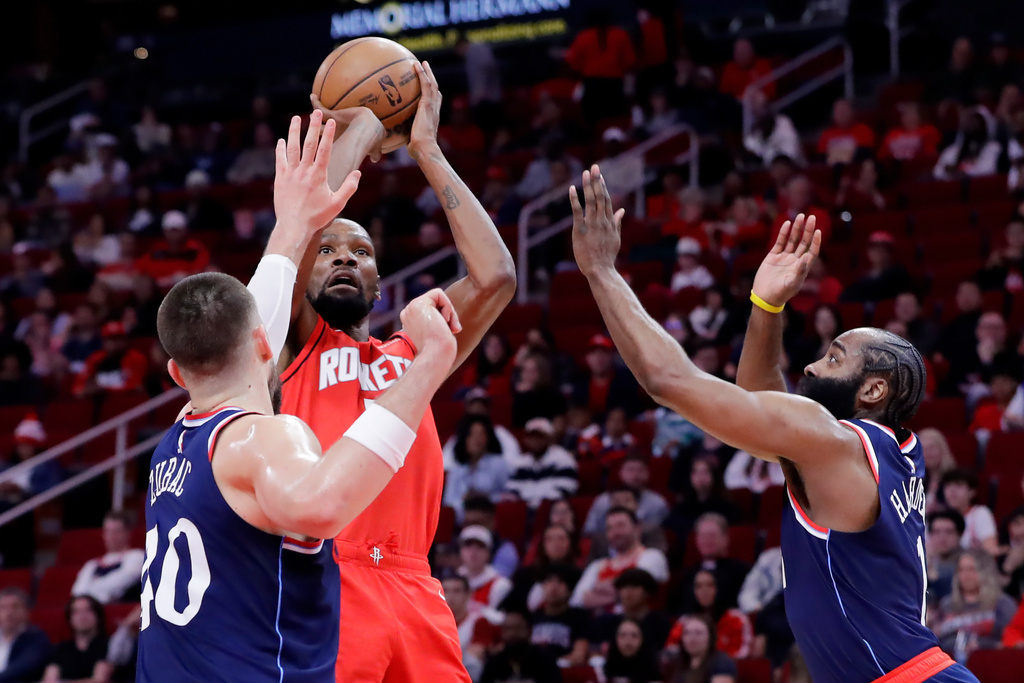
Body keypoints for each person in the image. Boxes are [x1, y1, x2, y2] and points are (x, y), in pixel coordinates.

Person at [569, 175, 978, 683]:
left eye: (834, 358)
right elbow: (763, 405)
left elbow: (667, 380)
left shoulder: (834, 441)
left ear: (872, 390)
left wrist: (602, 272)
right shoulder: (894, 452)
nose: (810, 367)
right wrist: (766, 308)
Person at [136, 110, 462, 681]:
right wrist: (430, 362)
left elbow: (262, 295)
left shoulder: (173, 446)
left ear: (176, 373)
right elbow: (323, 506)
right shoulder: (261, 438)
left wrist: (293, 223)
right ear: (265, 343)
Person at [260, 61, 514, 683]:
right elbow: (304, 222)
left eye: (361, 252)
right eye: (328, 252)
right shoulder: (293, 346)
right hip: (328, 575)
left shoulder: (416, 350)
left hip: (416, 584)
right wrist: (368, 122)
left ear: (378, 287)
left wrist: (426, 150)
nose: (344, 254)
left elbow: (496, 277)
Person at [570, 507, 669, 612]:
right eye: (609, 528)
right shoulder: (598, 565)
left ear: (637, 528)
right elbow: (576, 601)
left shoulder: (652, 557)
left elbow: (636, 594)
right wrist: (617, 595)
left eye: (620, 526)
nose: (615, 532)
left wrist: (597, 588)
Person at [932, 550, 1018, 663]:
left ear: (985, 572)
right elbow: (935, 640)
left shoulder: (1003, 604)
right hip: (951, 665)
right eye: (961, 570)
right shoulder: (946, 604)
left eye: (971, 569)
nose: (965, 575)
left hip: (992, 663)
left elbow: (1010, 641)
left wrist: (983, 645)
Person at [442, 414, 510, 522]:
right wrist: (464, 501)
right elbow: (449, 502)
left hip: (492, 519)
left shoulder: (499, 464)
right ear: (464, 439)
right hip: (462, 522)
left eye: (481, 434)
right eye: (472, 435)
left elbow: (509, 496)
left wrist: (484, 498)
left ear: (488, 437)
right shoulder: (456, 470)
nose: (476, 439)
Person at [71, 510, 145, 604]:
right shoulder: (91, 564)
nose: (111, 536)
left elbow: (120, 583)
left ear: (127, 533)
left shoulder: (137, 556)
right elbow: (77, 593)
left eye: (116, 531)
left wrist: (92, 591)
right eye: (108, 531)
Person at [507, 418, 579, 510]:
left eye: (539, 437)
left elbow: (566, 489)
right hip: (526, 511)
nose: (535, 441)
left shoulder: (563, 460)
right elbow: (513, 491)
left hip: (552, 510)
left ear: (549, 438)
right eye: (531, 437)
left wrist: (537, 501)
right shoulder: (520, 463)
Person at [528, 564, 589, 666]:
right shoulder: (533, 617)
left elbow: (579, 655)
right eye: (549, 581)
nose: (553, 587)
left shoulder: (579, 617)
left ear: (570, 590)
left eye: (560, 582)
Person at [479, 608, 561, 683]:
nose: (512, 634)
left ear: (529, 630)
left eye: (517, 628)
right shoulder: (494, 664)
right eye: (508, 629)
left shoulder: (545, 660)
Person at [42, 596, 109, 683]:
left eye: (88, 610)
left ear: (98, 615)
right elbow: (49, 679)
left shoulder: (109, 644)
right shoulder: (62, 648)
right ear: (70, 618)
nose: (82, 616)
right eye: (76, 612)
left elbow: (99, 680)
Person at [442, 575, 495, 682]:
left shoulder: (478, 621)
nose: (450, 596)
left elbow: (477, 653)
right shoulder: (434, 623)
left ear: (468, 594)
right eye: (446, 591)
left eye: (456, 591)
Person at [664, 614, 737, 683]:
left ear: (710, 637)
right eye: (687, 633)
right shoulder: (681, 663)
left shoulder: (722, 663)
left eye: (698, 633)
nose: (692, 638)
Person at [941, 468, 999, 555]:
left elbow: (990, 550)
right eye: (948, 485)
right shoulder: (937, 517)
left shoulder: (980, 513)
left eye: (958, 485)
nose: (952, 490)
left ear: (972, 492)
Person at [0, 588, 51, 683]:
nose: (9, 613)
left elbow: (22, 668)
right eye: (3, 607)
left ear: (26, 611)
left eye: (15, 607)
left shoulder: (36, 638)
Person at [458, 525, 513, 612]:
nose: (473, 552)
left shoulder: (500, 585)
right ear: (461, 550)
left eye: (480, 546)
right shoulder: (452, 579)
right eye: (468, 545)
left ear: (489, 552)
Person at [602, 618, 663, 683]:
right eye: (622, 635)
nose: (628, 641)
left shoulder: (654, 675)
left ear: (642, 639)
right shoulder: (602, 674)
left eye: (634, 636)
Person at [927, 510, 965, 608]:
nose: (942, 538)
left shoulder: (971, 561)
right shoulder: (921, 562)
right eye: (937, 532)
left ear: (960, 535)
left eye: (949, 532)